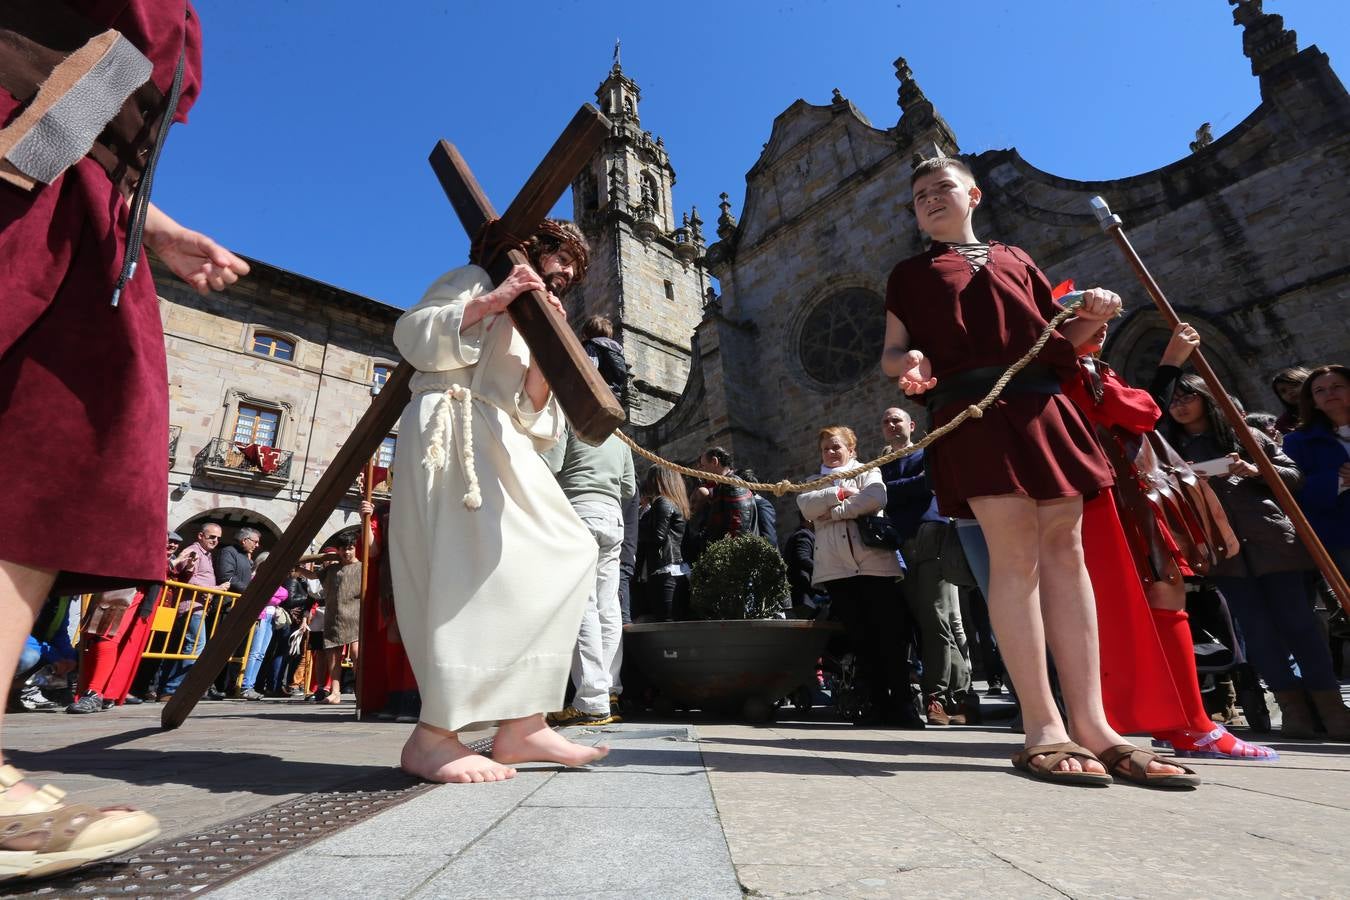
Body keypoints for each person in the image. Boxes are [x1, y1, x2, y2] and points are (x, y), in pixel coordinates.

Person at [0, 1, 251, 877]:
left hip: (72, 196)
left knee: (51, 456)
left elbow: (74, 111)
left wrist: (156, 223)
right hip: (26, 174)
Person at [882, 156, 1196, 787]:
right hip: (974, 412)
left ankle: (1096, 726)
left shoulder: (1017, 257)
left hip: (1041, 407)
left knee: (1067, 554)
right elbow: (894, 354)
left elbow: (1059, 341)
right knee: (1015, 554)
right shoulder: (909, 275)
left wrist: (1095, 314)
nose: (929, 200)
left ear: (972, 194)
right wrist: (908, 359)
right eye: (919, 196)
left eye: (941, 188)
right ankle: (1042, 728)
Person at [388, 219, 609, 783]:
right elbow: (413, 334)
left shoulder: (544, 317)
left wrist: (546, 356)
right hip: (450, 423)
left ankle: (522, 724)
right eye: (560, 263)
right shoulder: (470, 278)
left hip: (505, 441)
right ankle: (434, 737)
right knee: (463, 574)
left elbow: (533, 416)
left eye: (572, 276)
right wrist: (494, 301)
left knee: (568, 549)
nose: (564, 278)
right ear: (534, 249)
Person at [1066, 321, 1276, 760]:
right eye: (1082, 319)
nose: (1100, 328)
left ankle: (1178, 720)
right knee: (1162, 595)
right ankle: (1190, 724)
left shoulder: (1078, 368)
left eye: (1103, 322)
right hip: (1117, 497)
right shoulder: (1075, 369)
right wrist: (1170, 363)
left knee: (1160, 599)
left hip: (1116, 494)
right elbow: (1139, 413)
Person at [1160, 370, 1350, 740]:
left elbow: (1293, 476)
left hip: (1276, 543)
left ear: (1205, 397)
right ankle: (1294, 710)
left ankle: (1332, 710)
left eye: (1187, 397)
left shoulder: (1242, 432)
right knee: (1258, 634)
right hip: (1222, 551)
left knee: (1303, 627)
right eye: (1173, 401)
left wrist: (1254, 469)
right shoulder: (1168, 448)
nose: (1179, 406)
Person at [797, 426, 916, 727]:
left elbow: (875, 498)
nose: (831, 453)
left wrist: (834, 512)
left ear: (851, 449)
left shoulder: (867, 471)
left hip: (875, 566)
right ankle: (876, 704)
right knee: (861, 641)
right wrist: (839, 492)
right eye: (826, 449)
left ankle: (903, 705)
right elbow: (807, 507)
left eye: (837, 447)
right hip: (838, 572)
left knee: (890, 637)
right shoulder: (813, 482)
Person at [879, 407, 974, 726]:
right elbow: (883, 496)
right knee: (931, 620)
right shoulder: (880, 466)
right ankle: (960, 696)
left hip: (931, 535)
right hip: (900, 545)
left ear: (911, 425)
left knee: (935, 616)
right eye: (886, 421)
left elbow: (926, 485)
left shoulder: (926, 451)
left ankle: (936, 697)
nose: (891, 424)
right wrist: (903, 489)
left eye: (897, 420)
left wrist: (896, 490)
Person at [541, 419, 635, 726]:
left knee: (583, 605)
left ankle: (591, 699)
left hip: (579, 510)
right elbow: (629, 488)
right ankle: (608, 691)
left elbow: (550, 466)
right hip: (613, 517)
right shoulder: (620, 438)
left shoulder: (572, 423)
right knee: (608, 607)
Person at [1282, 365, 1350, 581]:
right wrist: (1340, 480)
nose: (1329, 393)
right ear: (1312, 401)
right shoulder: (1297, 442)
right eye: (1319, 391)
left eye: (1337, 386)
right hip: (1341, 532)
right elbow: (1295, 490)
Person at [635, 467, 691, 622]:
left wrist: (635, 526)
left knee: (665, 619)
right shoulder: (677, 502)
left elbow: (658, 535)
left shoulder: (662, 501)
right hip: (675, 569)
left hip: (664, 568)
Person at [685, 447, 759, 561]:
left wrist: (727, 558)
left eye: (703, 466)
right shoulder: (723, 485)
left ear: (714, 462)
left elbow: (738, 527)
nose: (700, 472)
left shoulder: (732, 484)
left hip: (737, 561)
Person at [319, 538, 361, 704]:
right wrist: (297, 567)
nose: (347, 553)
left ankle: (360, 691)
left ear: (356, 548)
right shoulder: (332, 569)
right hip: (335, 616)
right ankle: (335, 692)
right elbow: (313, 575)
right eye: (343, 549)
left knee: (357, 654)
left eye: (350, 548)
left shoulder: (363, 567)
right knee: (333, 656)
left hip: (356, 616)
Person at [216, 528, 261, 594]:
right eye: (255, 542)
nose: (257, 545)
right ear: (244, 540)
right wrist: (247, 590)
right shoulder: (228, 552)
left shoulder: (245, 556)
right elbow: (226, 576)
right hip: (227, 600)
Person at [1270, 366, 1311, 435]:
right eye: (1283, 391)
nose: (1290, 392)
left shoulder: (1328, 405)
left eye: (1294, 385)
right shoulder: (1283, 423)